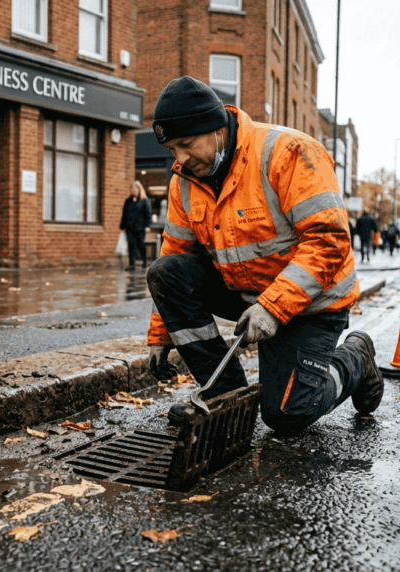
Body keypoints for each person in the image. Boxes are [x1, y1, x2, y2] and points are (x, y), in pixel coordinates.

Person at [144, 76, 384, 435]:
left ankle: (355, 358)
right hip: (250, 295)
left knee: (288, 414)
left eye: (186, 144)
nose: (179, 159)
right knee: (165, 271)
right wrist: (160, 334)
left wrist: (272, 308)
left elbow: (329, 241)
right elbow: (176, 254)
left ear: (215, 129)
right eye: (172, 149)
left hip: (313, 303)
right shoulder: (185, 181)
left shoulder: (288, 153)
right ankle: (226, 393)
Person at [120, 181, 153, 270]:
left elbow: (148, 214)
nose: (133, 191)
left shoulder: (144, 200)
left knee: (140, 244)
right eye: (132, 189)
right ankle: (132, 264)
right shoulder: (128, 201)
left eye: (135, 189)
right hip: (129, 227)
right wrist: (122, 226)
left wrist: (148, 226)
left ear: (139, 189)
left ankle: (144, 261)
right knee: (131, 245)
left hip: (140, 227)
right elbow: (124, 213)